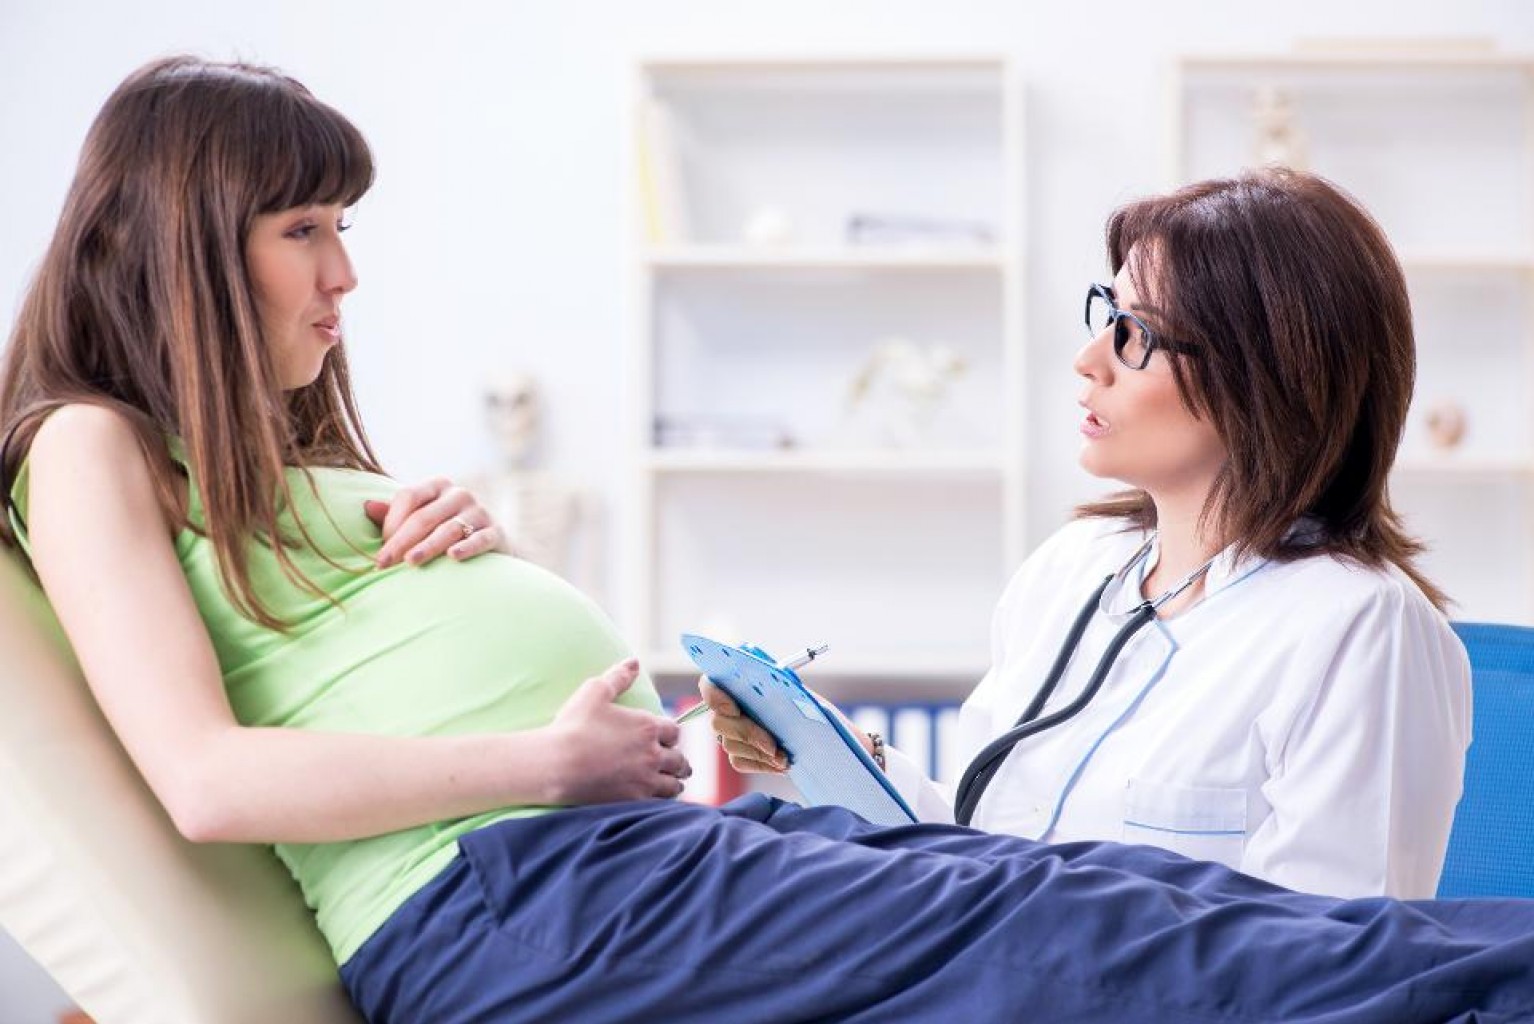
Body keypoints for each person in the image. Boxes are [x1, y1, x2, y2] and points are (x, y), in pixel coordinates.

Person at [3, 56, 1528, 1024]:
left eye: (345, 225)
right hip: (533, 888)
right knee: (1067, 920)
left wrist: (446, 532)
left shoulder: (258, 453)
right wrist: (544, 760)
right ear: (184, 238)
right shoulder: (91, 441)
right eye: (306, 230)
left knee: (1086, 911)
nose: (346, 273)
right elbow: (203, 779)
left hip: (598, 865)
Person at [708, 169, 1472, 902]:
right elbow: (985, 843)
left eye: (1135, 335)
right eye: (1107, 315)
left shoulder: (1362, 629)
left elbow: (1331, 966)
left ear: (1263, 377)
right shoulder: (1072, 570)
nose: (1087, 360)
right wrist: (839, 757)